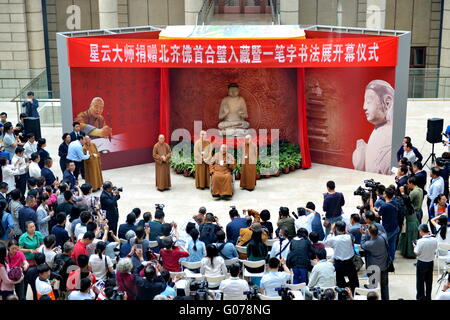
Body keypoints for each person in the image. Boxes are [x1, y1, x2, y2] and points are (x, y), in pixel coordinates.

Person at [352, 80, 394, 174]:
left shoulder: (389, 134)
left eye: (368, 101)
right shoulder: (379, 130)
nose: (364, 107)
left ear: (387, 103)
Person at [324, 221, 359, 293]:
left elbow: (326, 242)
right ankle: (356, 295)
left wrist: (331, 231)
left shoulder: (334, 239)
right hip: (350, 262)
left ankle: (343, 294)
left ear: (336, 229)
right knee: (354, 281)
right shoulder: (350, 237)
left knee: (340, 282)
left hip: (339, 263)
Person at [361, 225, 390, 300]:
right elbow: (379, 232)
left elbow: (362, 245)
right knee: (384, 286)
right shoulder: (384, 237)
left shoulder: (369, 244)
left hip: (373, 268)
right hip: (384, 265)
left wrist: (364, 234)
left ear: (370, 233)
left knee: (373, 286)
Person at [373, 187, 399, 264]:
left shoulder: (385, 206)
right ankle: (391, 258)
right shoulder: (395, 203)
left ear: (385, 195)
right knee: (392, 244)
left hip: (387, 229)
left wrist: (373, 209)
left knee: (382, 244)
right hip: (395, 227)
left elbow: (378, 215)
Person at [398, 179, 421, 259]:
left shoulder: (405, 208)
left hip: (410, 225)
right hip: (414, 223)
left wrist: (402, 193)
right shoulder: (410, 206)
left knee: (409, 238)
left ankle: (410, 253)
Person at [414, 224, 438, 300]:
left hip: (422, 263)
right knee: (429, 281)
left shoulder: (421, 241)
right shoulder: (435, 239)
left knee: (420, 282)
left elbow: (417, 252)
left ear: (421, 231)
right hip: (430, 262)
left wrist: (415, 246)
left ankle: (421, 297)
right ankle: (428, 297)